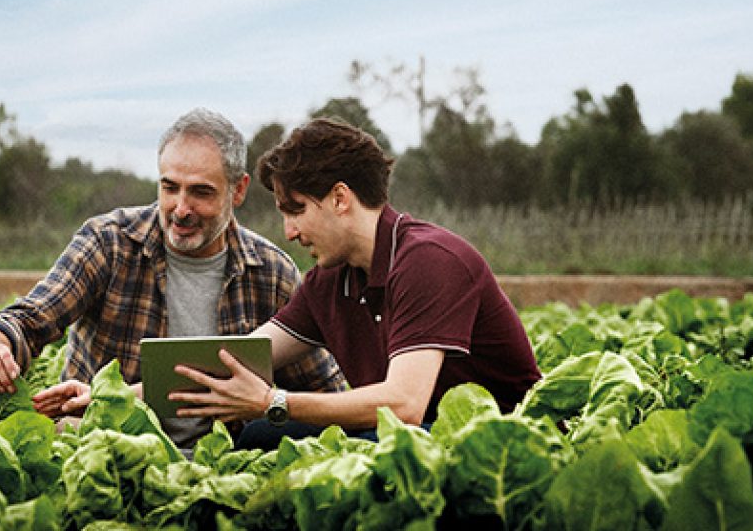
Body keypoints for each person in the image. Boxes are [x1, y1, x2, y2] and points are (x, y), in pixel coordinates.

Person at [0, 108, 345, 448]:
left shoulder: (272, 272)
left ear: (239, 190)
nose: (181, 209)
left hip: (227, 468)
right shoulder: (109, 243)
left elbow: (326, 392)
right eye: (170, 187)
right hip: (105, 458)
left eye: (200, 192)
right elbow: (26, 320)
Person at [171, 117, 542, 448]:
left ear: (339, 198)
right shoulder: (331, 279)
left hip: (500, 442)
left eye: (296, 210)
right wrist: (125, 396)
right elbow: (235, 356)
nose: (289, 232)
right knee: (260, 436)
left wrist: (274, 402)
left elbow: (405, 404)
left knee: (387, 441)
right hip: (410, 434)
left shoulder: (430, 261)